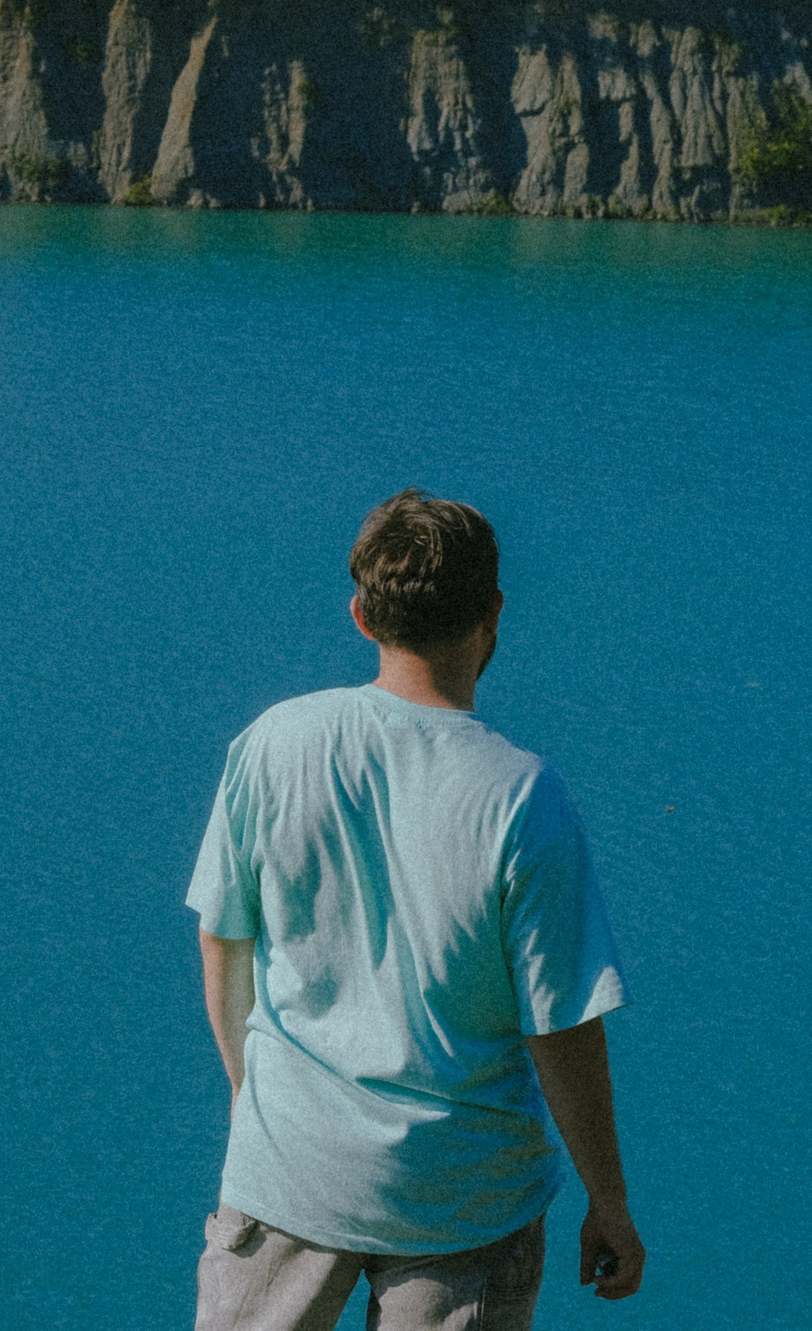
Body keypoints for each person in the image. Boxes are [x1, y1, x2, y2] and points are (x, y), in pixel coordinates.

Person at [187, 489, 645, 1331]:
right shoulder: (523, 795)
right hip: (463, 1197)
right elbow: (561, 1025)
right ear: (494, 612)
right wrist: (608, 1197)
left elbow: (224, 940)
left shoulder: (274, 741)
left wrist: (254, 1100)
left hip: (289, 1171)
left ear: (361, 614)